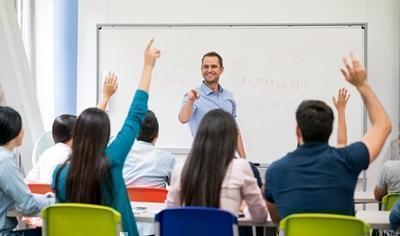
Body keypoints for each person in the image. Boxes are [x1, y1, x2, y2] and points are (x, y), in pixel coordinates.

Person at [264, 54, 392, 223]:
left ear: (298, 131)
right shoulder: (347, 160)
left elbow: (277, 219)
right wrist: (362, 85)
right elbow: (383, 125)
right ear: (329, 130)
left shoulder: (275, 171)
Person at [52, 39, 160, 236]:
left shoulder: (59, 175)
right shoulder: (112, 160)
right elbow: (135, 115)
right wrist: (148, 67)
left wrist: (104, 98)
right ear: (105, 135)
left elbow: (88, 129)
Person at [166, 109, 268, 223]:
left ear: (200, 137)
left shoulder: (181, 169)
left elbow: (171, 212)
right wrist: (244, 208)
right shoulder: (240, 167)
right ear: (231, 139)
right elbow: (260, 216)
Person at [25, 75, 118, 184]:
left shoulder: (46, 154)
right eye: (81, 128)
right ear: (76, 133)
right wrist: (105, 96)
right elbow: (93, 127)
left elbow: (28, 182)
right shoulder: (71, 156)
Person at [178, 51, 246, 158]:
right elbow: (183, 119)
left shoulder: (229, 96)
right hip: (203, 158)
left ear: (221, 69)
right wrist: (191, 101)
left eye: (213, 66)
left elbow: (234, 130)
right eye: (205, 67)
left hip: (228, 158)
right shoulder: (193, 95)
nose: (209, 70)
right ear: (201, 69)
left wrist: (243, 157)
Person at [0, 106, 54, 235]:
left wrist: (46, 197)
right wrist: (54, 200)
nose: (23, 131)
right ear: (14, 130)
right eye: (21, 126)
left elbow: (21, 198)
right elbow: (28, 205)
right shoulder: (5, 162)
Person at [123, 110, 175, 188]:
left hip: (125, 199)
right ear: (157, 134)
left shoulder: (122, 155)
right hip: (156, 200)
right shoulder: (168, 158)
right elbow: (179, 187)